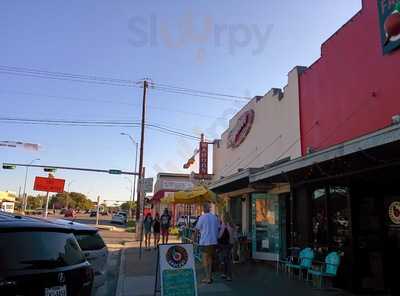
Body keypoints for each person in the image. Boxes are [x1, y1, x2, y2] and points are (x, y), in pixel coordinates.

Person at [194, 202, 219, 284]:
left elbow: (197, 230)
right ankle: (210, 276)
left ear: (204, 209)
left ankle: (207, 277)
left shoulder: (202, 217)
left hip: (205, 241)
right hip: (214, 241)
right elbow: (218, 228)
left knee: (204, 259)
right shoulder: (215, 217)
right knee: (210, 258)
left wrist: (193, 240)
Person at [218, 212, 237, 281]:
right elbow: (235, 235)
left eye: (222, 217)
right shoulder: (225, 224)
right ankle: (225, 273)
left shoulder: (226, 225)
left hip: (226, 244)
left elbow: (220, 235)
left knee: (226, 259)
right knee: (225, 259)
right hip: (226, 244)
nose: (222, 218)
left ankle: (228, 274)